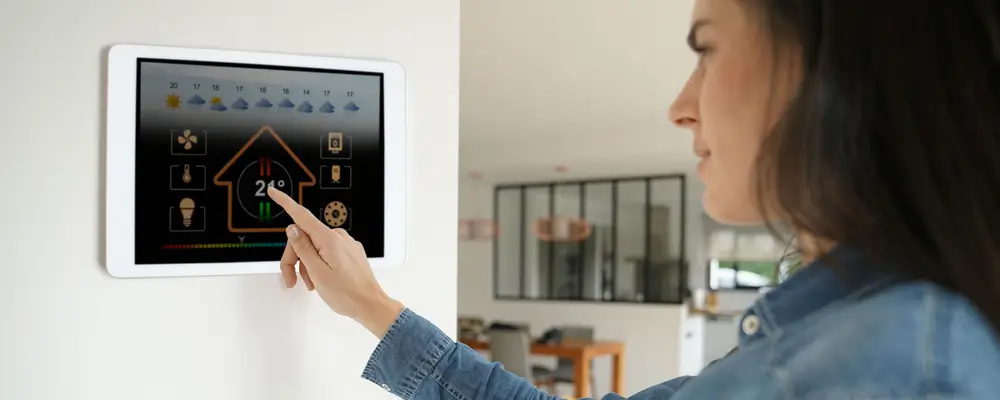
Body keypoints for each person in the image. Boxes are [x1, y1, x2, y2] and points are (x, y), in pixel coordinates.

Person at [267, 0, 1000, 398]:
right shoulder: (830, 334)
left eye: (706, 48)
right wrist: (368, 302)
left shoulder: (906, 362)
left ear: (833, 65)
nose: (681, 106)